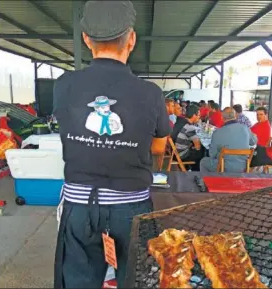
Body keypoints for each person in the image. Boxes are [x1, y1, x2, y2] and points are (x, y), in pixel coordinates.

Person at [53, 2, 171, 288]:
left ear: (86, 38)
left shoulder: (64, 85)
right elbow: (158, 148)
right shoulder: (151, 93)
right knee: (134, 279)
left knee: (78, 282)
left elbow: (68, 132)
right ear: (131, 39)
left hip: (80, 207)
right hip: (131, 207)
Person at [200, 107, 257, 173]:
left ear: (222, 118)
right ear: (235, 116)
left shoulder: (218, 132)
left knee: (203, 162)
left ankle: (207, 182)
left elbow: (212, 154)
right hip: (243, 167)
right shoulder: (245, 128)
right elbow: (253, 142)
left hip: (224, 167)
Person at [175, 105, 204, 171]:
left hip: (176, 151)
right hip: (182, 154)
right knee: (202, 152)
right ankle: (195, 171)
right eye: (198, 115)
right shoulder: (190, 128)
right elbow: (198, 147)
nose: (199, 118)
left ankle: (190, 168)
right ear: (194, 115)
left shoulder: (182, 122)